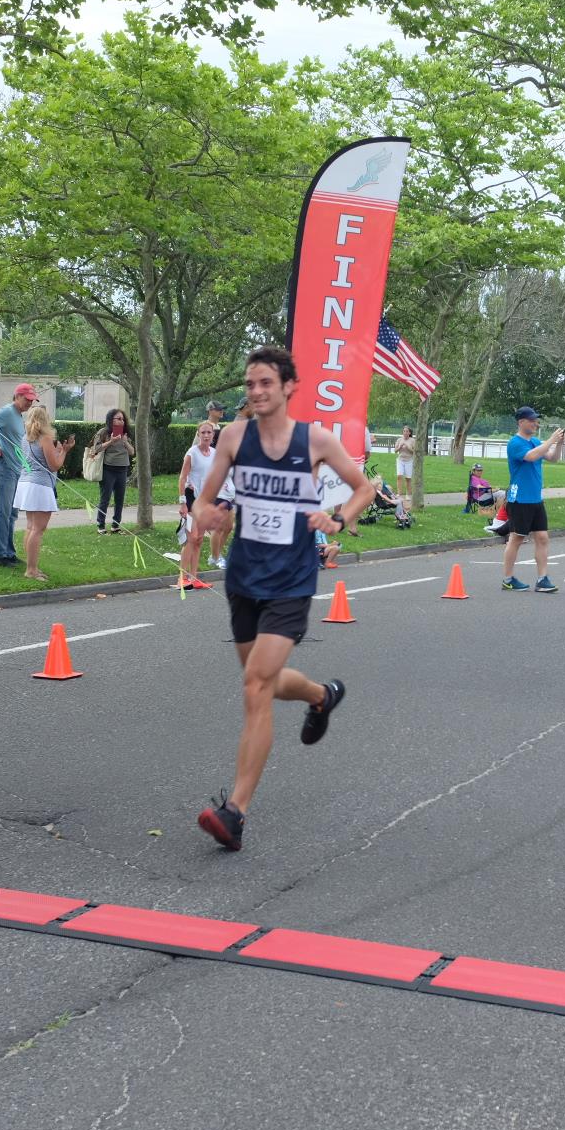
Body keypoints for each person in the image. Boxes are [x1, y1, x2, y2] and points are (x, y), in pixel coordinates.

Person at [189, 344, 373, 852]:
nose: (256, 391)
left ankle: (235, 813)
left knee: (255, 685)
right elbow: (204, 500)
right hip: (244, 577)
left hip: (291, 581)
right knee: (262, 682)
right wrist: (207, 514)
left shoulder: (314, 440)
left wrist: (337, 520)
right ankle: (320, 696)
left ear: (289, 387)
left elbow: (363, 488)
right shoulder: (233, 437)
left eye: (266, 382)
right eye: (250, 384)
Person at [500, 405, 565, 593]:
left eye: (536, 420)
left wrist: (559, 444)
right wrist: (551, 440)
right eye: (532, 420)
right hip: (520, 499)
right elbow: (531, 457)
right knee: (517, 538)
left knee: (542, 538)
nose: (535, 423)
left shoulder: (536, 441)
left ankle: (542, 579)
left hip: (535, 498)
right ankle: (508, 579)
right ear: (521, 422)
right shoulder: (515, 443)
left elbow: (552, 458)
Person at [0, 383, 38, 567]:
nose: (29, 403)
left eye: (32, 400)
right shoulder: (7, 411)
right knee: (3, 512)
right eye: (27, 399)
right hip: (4, 468)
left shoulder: (18, 415)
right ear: (17, 396)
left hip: (15, 469)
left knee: (11, 514)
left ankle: (8, 553)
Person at [12, 404, 75, 582]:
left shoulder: (25, 438)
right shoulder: (45, 438)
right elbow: (54, 465)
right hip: (39, 485)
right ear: (44, 419)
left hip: (26, 483)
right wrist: (64, 452)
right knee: (38, 529)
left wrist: (58, 452)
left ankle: (31, 566)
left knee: (31, 527)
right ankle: (31, 570)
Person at [178, 422, 220, 588]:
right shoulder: (192, 453)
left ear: (213, 435)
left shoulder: (215, 454)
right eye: (203, 432)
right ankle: (182, 578)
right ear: (198, 434)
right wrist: (182, 502)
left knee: (199, 539)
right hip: (191, 498)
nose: (206, 435)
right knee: (191, 538)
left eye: (209, 432)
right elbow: (182, 477)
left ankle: (194, 578)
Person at [90, 408, 134, 534]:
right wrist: (111, 441)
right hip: (108, 469)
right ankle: (101, 525)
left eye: (123, 419)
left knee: (120, 499)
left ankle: (116, 525)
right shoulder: (104, 432)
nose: (122, 421)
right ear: (111, 420)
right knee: (105, 498)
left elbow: (132, 452)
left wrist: (125, 442)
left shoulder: (125, 433)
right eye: (119, 419)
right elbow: (96, 449)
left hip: (122, 469)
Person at [394, 424, 417, 498]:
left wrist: (408, 447)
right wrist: (400, 447)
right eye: (404, 431)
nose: (405, 433)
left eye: (407, 431)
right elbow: (395, 451)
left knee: (408, 478)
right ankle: (399, 494)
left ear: (409, 433)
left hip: (409, 461)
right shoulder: (399, 440)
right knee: (399, 476)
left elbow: (415, 452)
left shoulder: (412, 440)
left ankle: (408, 495)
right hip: (400, 460)